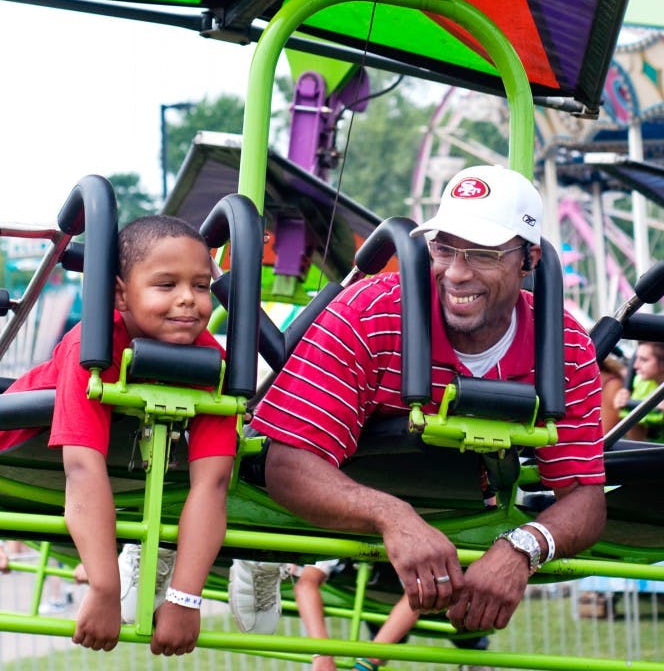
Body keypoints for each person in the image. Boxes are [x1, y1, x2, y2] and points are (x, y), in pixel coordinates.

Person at [250, 165, 606, 636]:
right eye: (443, 248)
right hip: (342, 489)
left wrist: (523, 548)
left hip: (462, 504)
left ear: (529, 260)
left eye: (481, 253)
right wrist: (392, 515)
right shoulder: (373, 311)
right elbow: (287, 464)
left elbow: (584, 497)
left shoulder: (566, 345)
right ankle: (255, 557)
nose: (456, 273)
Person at [0, 215, 237, 656]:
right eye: (166, 285)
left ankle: (167, 558)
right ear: (118, 295)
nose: (189, 299)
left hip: (127, 475)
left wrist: (186, 598)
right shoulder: (89, 348)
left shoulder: (213, 363)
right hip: (24, 460)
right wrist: (104, 587)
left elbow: (214, 482)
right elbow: (81, 466)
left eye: (202, 286)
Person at [613, 341, 664, 441]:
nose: (636, 365)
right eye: (636, 358)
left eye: (644, 360)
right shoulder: (640, 382)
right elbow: (634, 434)